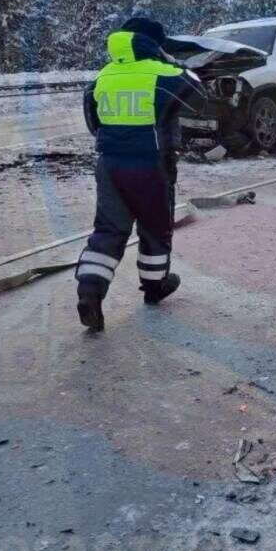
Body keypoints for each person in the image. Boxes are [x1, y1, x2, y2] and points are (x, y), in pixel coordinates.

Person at [75, 17, 206, 332]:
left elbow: (94, 123)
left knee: (108, 230)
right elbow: (198, 97)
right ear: (155, 45)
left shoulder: (103, 77)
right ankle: (154, 286)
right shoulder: (163, 74)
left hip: (109, 165)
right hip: (151, 166)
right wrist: (172, 62)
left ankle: (90, 290)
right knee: (155, 229)